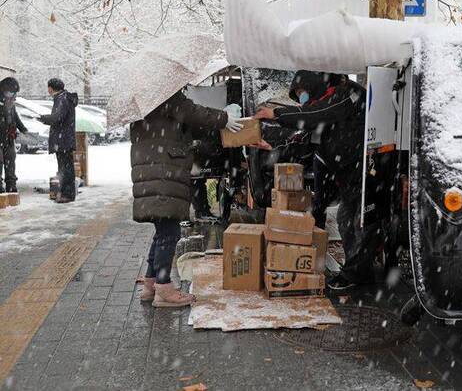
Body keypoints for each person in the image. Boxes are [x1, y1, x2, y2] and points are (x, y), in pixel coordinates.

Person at [254, 71, 379, 291]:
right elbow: (304, 134)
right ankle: (358, 270)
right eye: (298, 95)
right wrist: (272, 146)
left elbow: (316, 114)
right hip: (344, 170)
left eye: (303, 92)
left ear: (314, 84)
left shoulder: (348, 93)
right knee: (347, 218)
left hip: (364, 169)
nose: (302, 98)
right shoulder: (325, 99)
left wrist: (276, 113)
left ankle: (358, 273)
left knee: (362, 221)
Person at [131, 89, 242, 308]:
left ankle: (151, 285)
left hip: (152, 171)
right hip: (164, 172)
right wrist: (225, 118)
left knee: (163, 231)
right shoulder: (165, 95)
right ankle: (163, 288)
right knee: (169, 232)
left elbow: (181, 126)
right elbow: (193, 113)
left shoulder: (144, 101)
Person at [38, 78, 78, 203]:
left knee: (65, 168)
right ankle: (66, 193)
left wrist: (43, 118)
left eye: (48, 87)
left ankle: (67, 194)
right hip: (64, 139)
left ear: (51, 88)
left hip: (63, 140)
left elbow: (58, 117)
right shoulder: (63, 98)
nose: (48, 90)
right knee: (65, 167)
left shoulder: (62, 99)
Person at [0, 77, 28, 193]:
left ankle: (11, 184)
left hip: (9, 137)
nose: (12, 96)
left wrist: (23, 129)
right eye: (10, 93)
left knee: (10, 160)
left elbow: (15, 116)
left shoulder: (11, 103)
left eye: (13, 93)